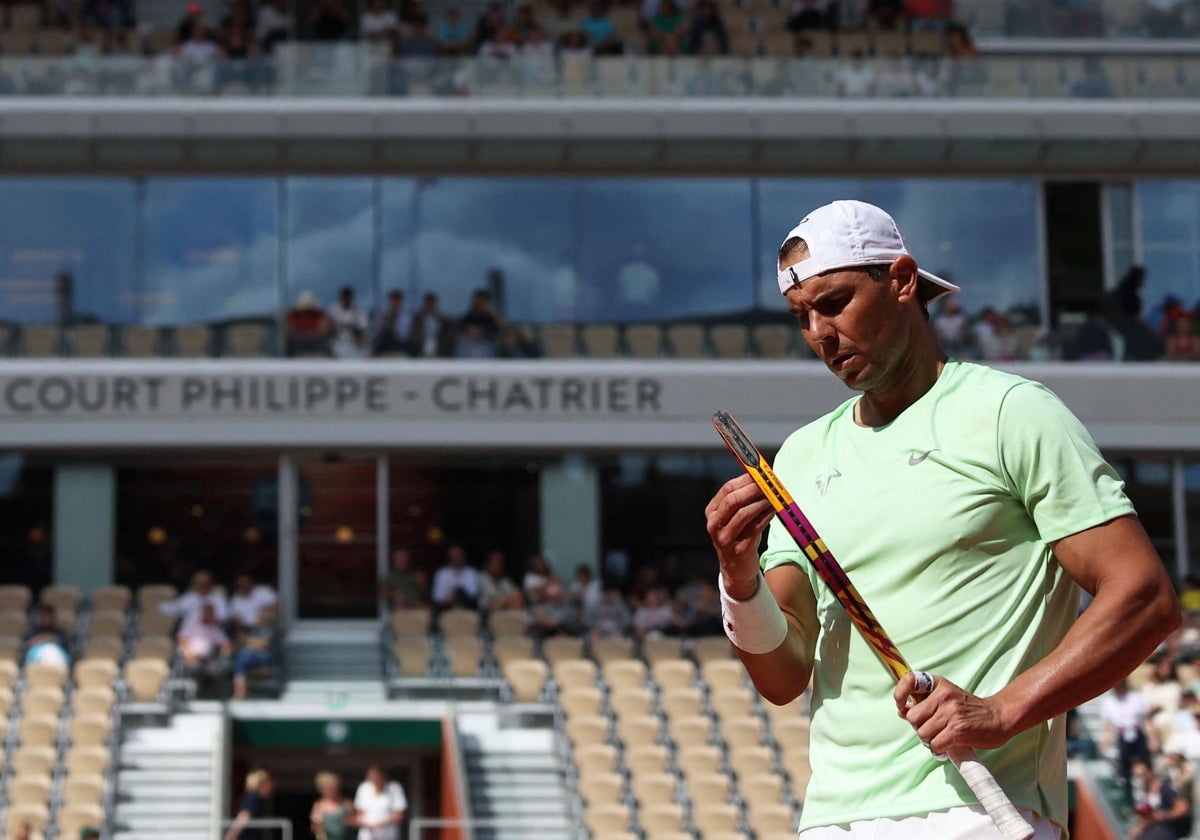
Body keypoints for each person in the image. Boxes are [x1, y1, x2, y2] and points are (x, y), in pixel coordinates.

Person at [704, 199, 1179, 839]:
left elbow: (1145, 598)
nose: (819, 332)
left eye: (835, 302)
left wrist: (1002, 711)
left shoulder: (1012, 411)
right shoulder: (803, 453)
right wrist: (738, 579)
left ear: (902, 280)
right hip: (833, 821)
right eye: (801, 316)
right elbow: (783, 675)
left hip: (982, 814)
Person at [1102, 677, 1157, 804]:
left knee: (1145, 765)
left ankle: (1149, 793)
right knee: (1125, 768)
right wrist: (1104, 746)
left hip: (1137, 734)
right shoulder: (1109, 702)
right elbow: (1107, 727)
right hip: (1122, 736)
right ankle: (1129, 797)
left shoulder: (1136, 697)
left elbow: (1146, 720)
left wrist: (1153, 739)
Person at [1130, 758, 1192, 840]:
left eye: (1143, 774)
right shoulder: (1144, 796)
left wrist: (1164, 815)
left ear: (1150, 771)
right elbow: (1145, 820)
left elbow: (1183, 808)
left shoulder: (1165, 789)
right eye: (1137, 776)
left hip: (1169, 829)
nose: (1141, 779)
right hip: (1154, 830)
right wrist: (1138, 829)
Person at [353, 764, 407, 840]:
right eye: (371, 777)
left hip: (388, 836)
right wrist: (364, 823)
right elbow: (360, 814)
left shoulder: (394, 788)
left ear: (383, 776)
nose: (374, 780)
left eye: (376, 777)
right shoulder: (363, 788)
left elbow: (399, 815)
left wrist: (380, 824)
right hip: (367, 836)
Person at [159, 569, 229, 624]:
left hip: (212, 630)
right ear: (195, 584)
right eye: (200, 583)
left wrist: (211, 618)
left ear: (211, 583)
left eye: (206, 583)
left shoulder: (217, 598)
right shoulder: (189, 597)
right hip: (191, 631)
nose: (203, 586)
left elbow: (224, 616)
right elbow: (173, 608)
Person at [225, 768, 273, 840]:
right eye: (268, 783)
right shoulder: (252, 797)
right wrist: (231, 836)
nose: (271, 787)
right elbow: (244, 816)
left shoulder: (256, 798)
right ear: (261, 784)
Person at [430, 544, 480, 611]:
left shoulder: (472, 573)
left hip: (468, 608)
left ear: (464, 556)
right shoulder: (442, 573)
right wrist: (449, 598)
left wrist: (457, 594)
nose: (456, 558)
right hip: (445, 609)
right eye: (453, 556)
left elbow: (474, 594)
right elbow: (437, 597)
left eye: (458, 555)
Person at [327, 286, 370, 358]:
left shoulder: (359, 311)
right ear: (341, 297)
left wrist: (357, 337)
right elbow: (328, 325)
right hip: (337, 341)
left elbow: (363, 328)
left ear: (352, 297)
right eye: (344, 297)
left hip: (355, 343)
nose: (346, 299)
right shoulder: (333, 310)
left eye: (348, 297)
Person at [311, 771, 355, 840]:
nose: (333, 791)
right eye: (328, 788)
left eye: (335, 788)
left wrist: (351, 822)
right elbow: (316, 828)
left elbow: (357, 820)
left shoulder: (347, 804)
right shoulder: (319, 806)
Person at [371, 290, 414, 356]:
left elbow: (403, 336)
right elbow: (376, 333)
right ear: (389, 302)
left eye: (397, 302)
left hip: (399, 344)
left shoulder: (406, 318)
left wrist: (391, 323)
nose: (395, 304)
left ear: (401, 302)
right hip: (384, 345)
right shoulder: (382, 315)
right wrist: (383, 322)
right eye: (393, 301)